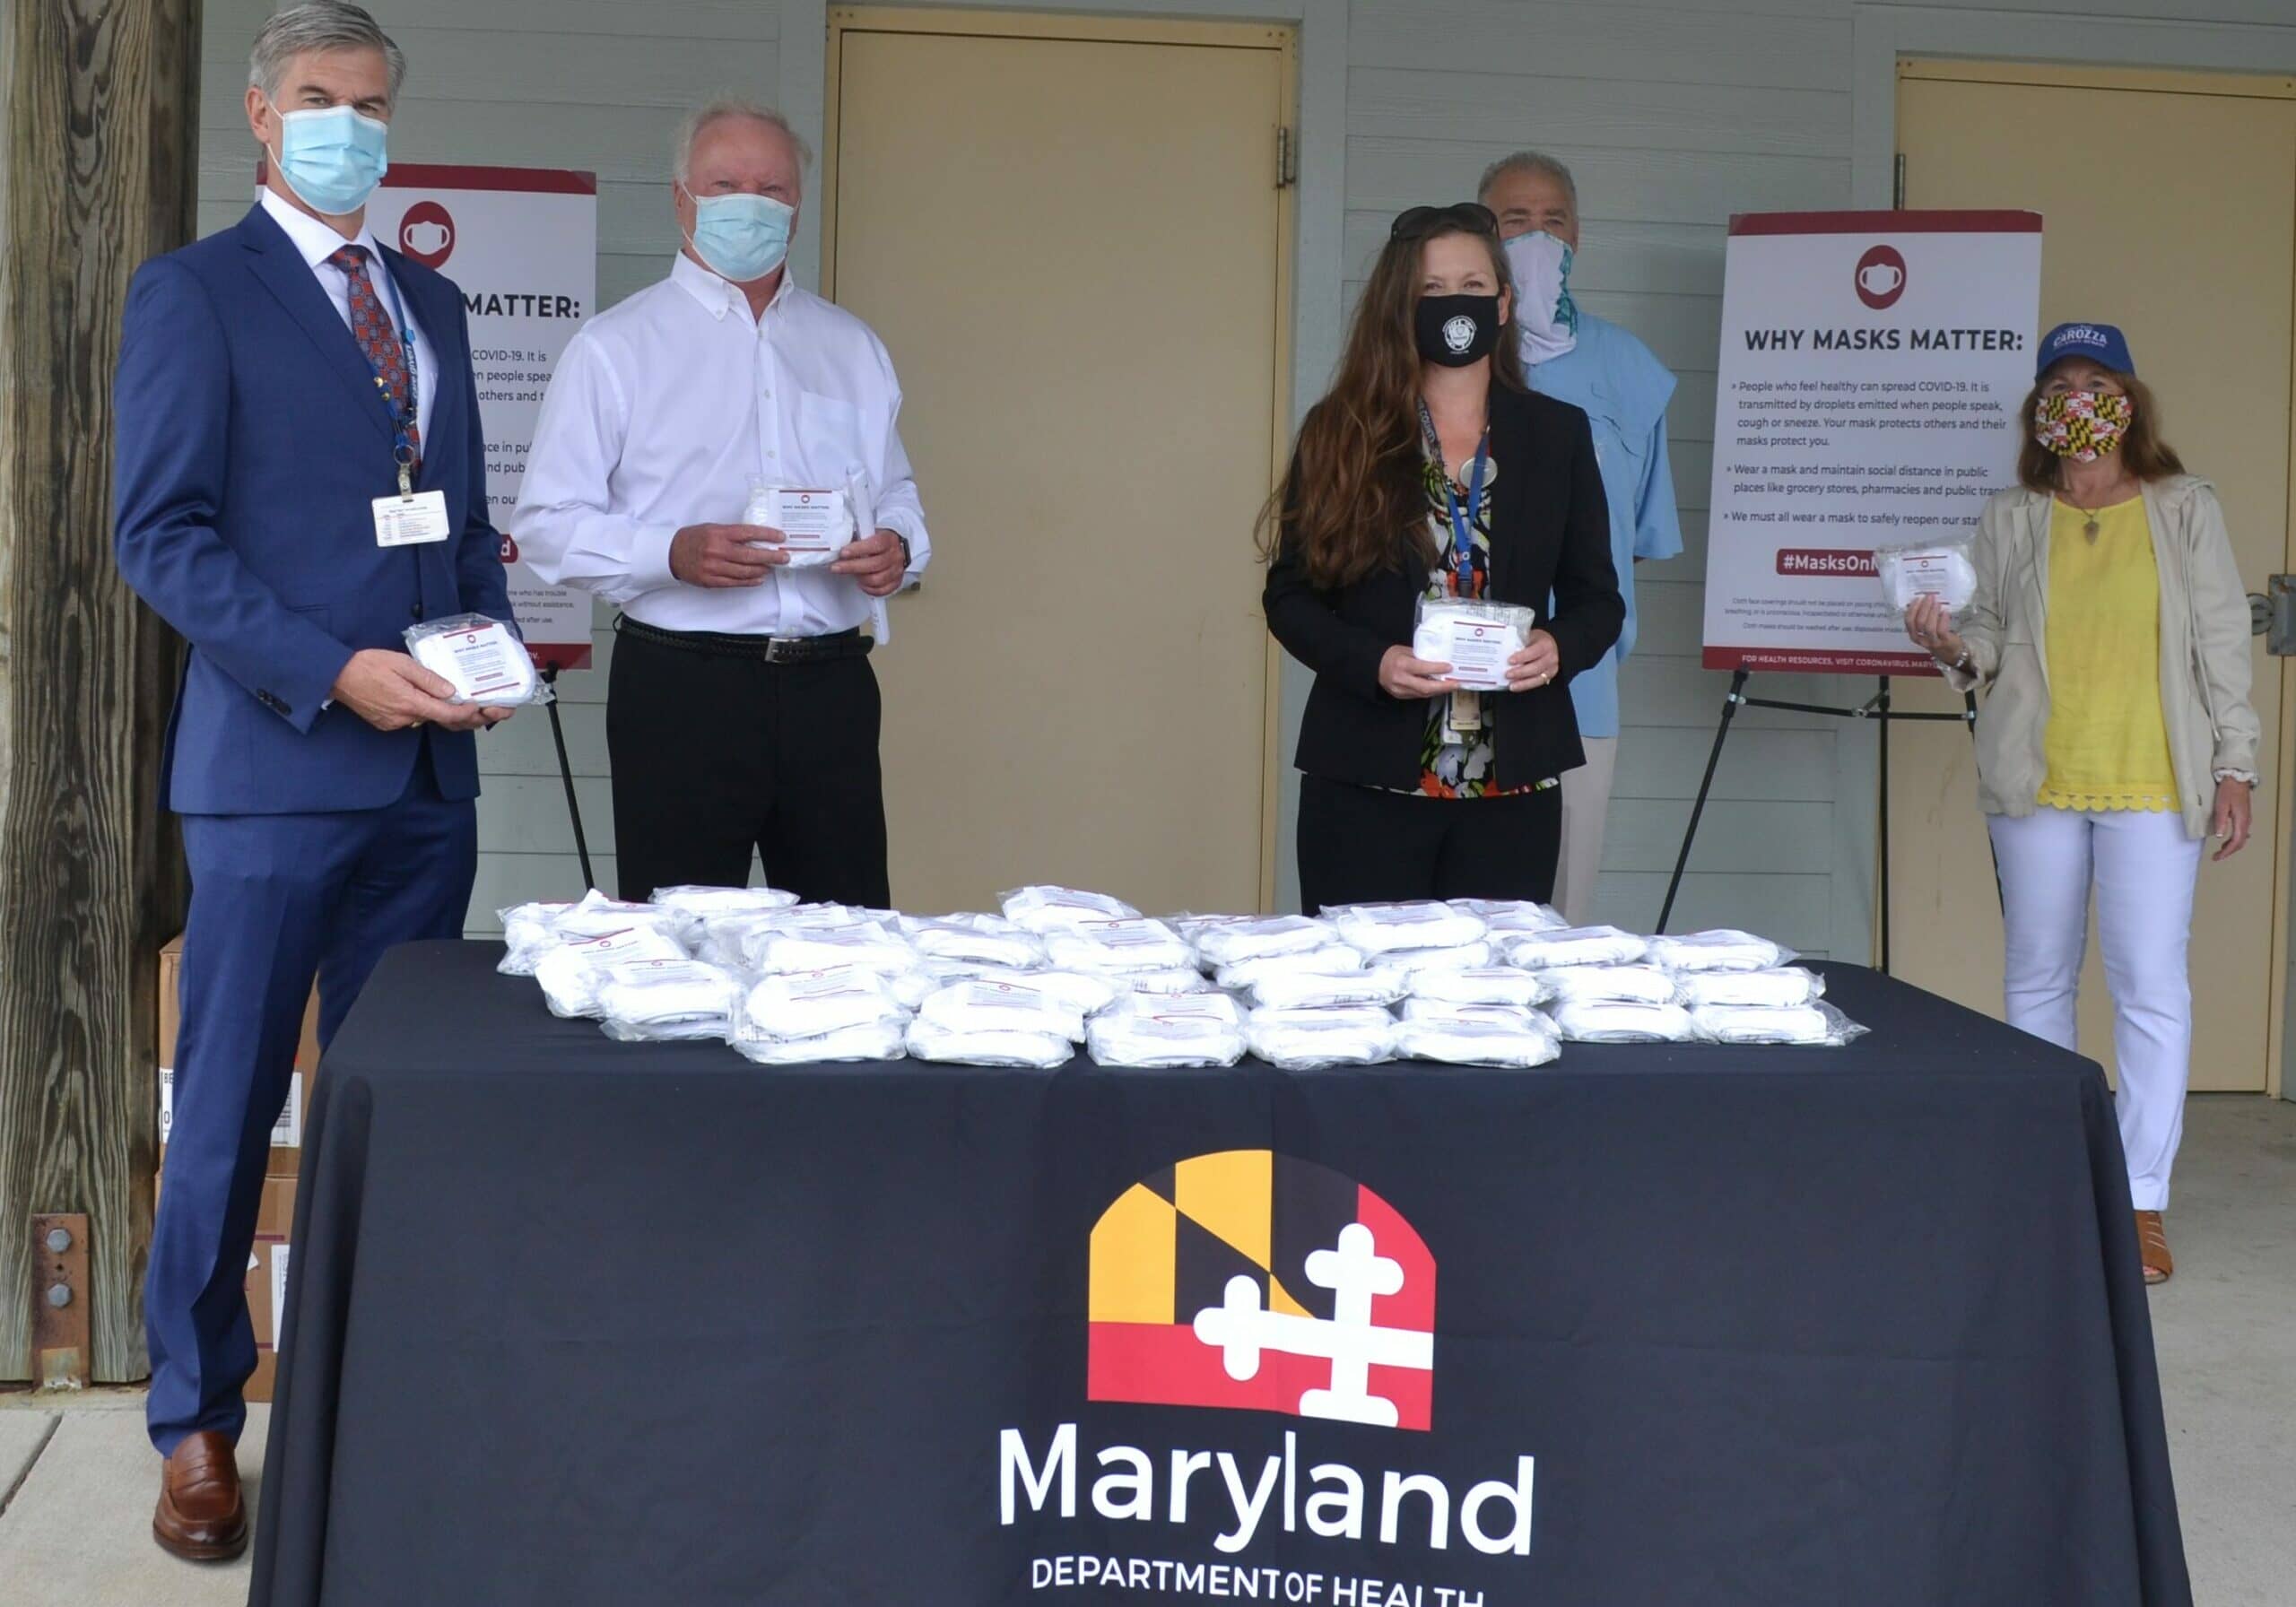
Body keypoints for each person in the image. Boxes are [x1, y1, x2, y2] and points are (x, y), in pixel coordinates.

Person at [112, 2, 515, 1560]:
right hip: (276, 774)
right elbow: (164, 538)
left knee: (388, 1107)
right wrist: (332, 668)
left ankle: (364, 1398)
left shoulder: (434, 303)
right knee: (224, 1107)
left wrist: (478, 645)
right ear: (264, 117)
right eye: (321, 98)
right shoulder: (195, 295)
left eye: (372, 100)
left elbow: (459, 520)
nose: (351, 121)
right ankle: (198, 1421)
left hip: (423, 787)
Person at [1903, 322, 2257, 1286]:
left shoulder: (2182, 508)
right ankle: (2051, 1181)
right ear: (2038, 409)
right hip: (2035, 781)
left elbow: (2222, 642)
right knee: (2037, 981)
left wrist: (2238, 764)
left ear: (2129, 400)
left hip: (2151, 780)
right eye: (2059, 383)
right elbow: (1983, 634)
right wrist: (1944, 642)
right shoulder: (2013, 514)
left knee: (2148, 984)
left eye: (2096, 380)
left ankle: (2141, 1198)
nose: (2078, 398)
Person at [515, 99, 926, 908]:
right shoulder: (616, 347)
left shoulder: (850, 346)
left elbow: (897, 490)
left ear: (798, 207)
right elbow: (545, 525)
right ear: (682, 199)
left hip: (832, 688)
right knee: (679, 951)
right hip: (683, 689)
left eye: (771, 188)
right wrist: (668, 553)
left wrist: (901, 546)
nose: (751, 202)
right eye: (725, 183)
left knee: (846, 947)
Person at [1261, 203, 1622, 913]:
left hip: (1513, 791)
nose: (1454, 304)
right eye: (1431, 290)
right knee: (1358, 1002)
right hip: (1363, 785)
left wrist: (1557, 646)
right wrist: (1372, 663)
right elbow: (1289, 596)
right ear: (1400, 305)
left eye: (1472, 286)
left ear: (1504, 303)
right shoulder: (1344, 430)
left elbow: (1598, 600)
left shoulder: (1557, 435)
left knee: (1487, 1008)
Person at [1479, 152, 1683, 925]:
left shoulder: (1629, 370)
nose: (1537, 237)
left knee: (1554, 916)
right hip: (1447, 679)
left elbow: (1628, 540)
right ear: (1479, 236)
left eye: (1553, 219)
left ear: (1580, 235)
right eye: (1513, 221)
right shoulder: (1448, 363)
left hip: (1579, 689)